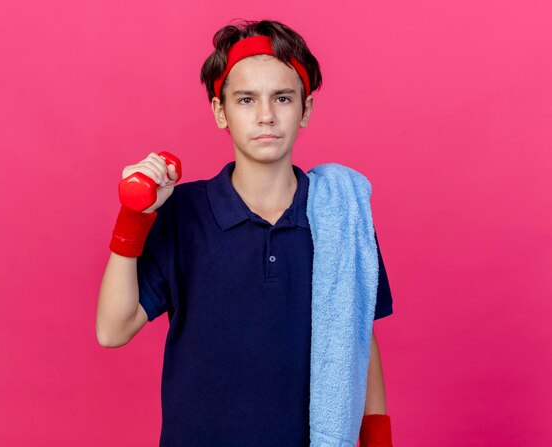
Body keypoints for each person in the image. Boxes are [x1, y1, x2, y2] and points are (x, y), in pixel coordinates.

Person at [96, 18, 394, 447]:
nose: (266, 115)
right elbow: (112, 330)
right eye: (246, 99)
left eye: (283, 98)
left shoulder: (340, 214)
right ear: (221, 111)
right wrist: (134, 217)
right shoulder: (183, 212)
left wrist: (379, 441)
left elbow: (359, 339)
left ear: (306, 109)